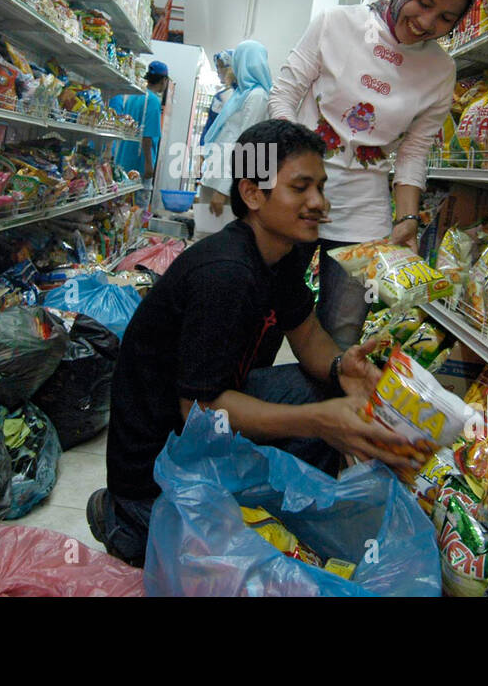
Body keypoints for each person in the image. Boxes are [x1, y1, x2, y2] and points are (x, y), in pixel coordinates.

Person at [88, 119, 419, 567]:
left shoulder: (279, 253)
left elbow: (308, 337)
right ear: (252, 193)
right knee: (249, 568)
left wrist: (344, 367)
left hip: (202, 431)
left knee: (320, 389)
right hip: (158, 471)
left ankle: (286, 519)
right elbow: (199, 410)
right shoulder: (225, 274)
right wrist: (318, 422)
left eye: (320, 187)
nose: (318, 203)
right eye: (300, 188)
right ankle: (125, 521)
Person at [269, 0, 483, 348]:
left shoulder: (440, 70)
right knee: (263, 307)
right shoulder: (336, 23)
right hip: (298, 191)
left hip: (365, 211)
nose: (425, 21)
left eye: (445, 17)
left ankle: (328, 409)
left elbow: (414, 151)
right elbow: (284, 94)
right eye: (423, 2)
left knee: (344, 329)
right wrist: (291, 160)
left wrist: (406, 220)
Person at [198, 40, 272, 219]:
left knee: (216, 238)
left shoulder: (257, 97)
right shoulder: (241, 94)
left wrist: (224, 189)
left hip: (227, 183)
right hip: (216, 174)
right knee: (203, 234)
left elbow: (245, 147)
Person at [111, 60, 169, 207]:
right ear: (164, 80)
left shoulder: (134, 95)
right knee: (137, 211)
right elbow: (147, 136)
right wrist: (149, 165)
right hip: (139, 164)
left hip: (123, 160)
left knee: (120, 207)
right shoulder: (153, 101)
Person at [197, 49, 235, 145]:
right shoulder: (220, 96)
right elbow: (210, 126)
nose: (218, 71)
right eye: (217, 67)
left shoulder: (239, 96)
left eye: (221, 67)